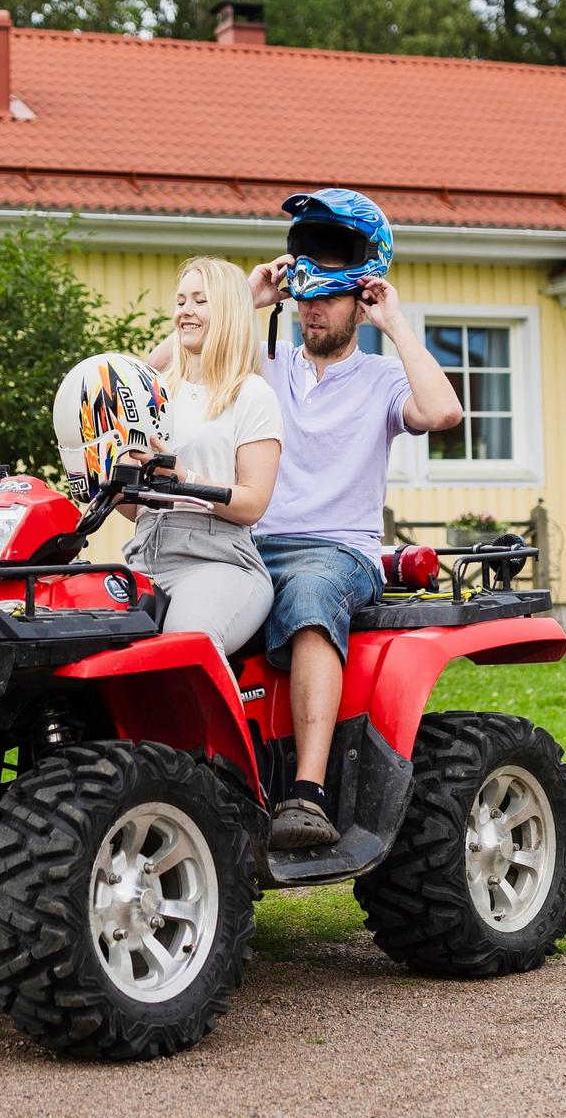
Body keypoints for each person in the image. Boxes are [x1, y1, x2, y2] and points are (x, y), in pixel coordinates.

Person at [247, 190, 463, 850]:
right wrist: (241, 303)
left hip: (338, 553)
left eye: (329, 299)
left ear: (360, 302)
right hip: (249, 543)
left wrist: (396, 324)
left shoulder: (381, 378)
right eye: (303, 299)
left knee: (310, 592)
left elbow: (443, 413)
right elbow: (148, 380)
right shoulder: (264, 367)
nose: (312, 310)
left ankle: (307, 793)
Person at [122, 257, 283, 660]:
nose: (185, 311)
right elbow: (135, 508)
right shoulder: (157, 393)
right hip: (144, 553)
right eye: (180, 301)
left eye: (200, 300)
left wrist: (184, 479)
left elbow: (253, 503)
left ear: (227, 310)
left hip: (219, 561)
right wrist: (106, 477)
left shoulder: (251, 394)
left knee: (185, 647)